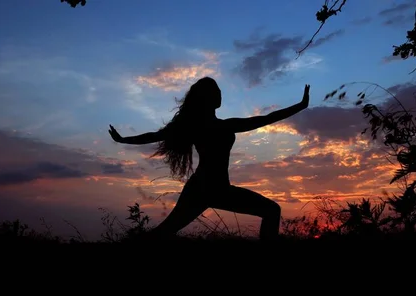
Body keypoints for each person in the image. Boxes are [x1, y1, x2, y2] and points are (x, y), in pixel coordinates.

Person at [108, 77, 310, 241]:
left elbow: (264, 119)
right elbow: (155, 135)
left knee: (164, 231)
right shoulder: (210, 126)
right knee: (271, 210)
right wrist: (123, 139)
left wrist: (300, 106)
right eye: (216, 91)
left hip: (211, 189)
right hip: (207, 189)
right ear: (207, 98)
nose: (220, 94)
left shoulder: (216, 125)